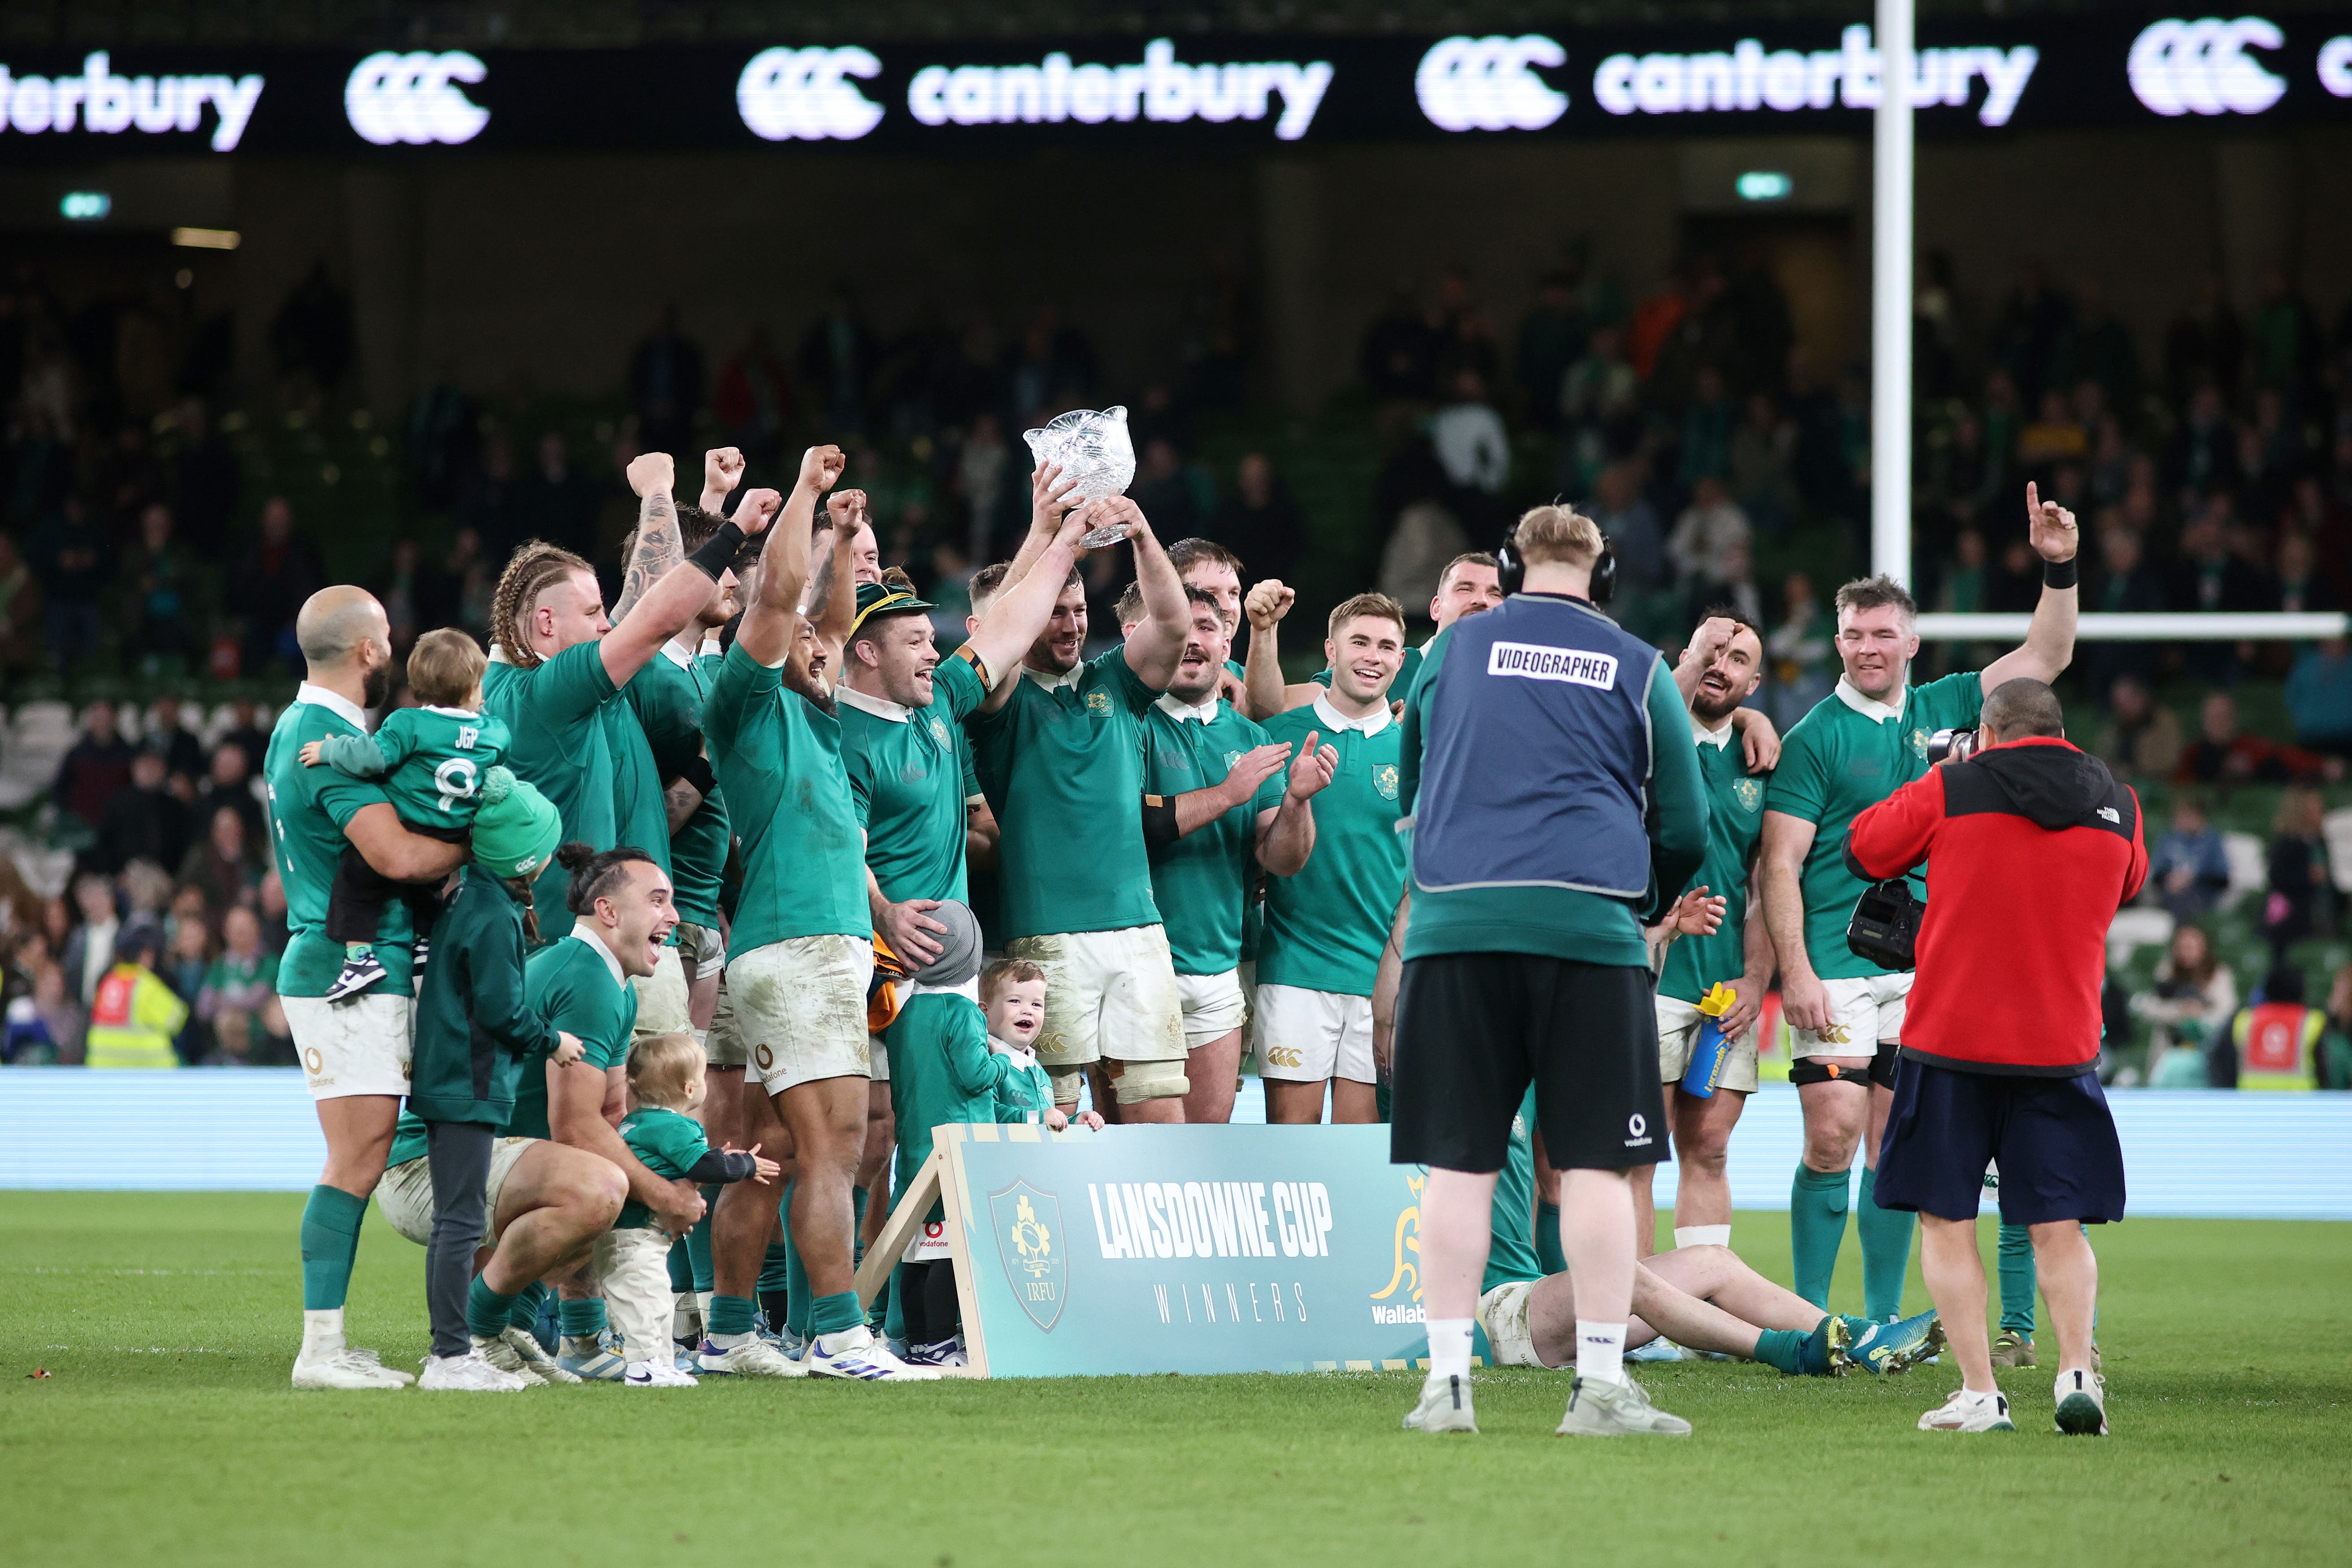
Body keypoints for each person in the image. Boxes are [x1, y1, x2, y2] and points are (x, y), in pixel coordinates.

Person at [1382, 503, 1707, 1437]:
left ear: (1509, 565)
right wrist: (1643, 900)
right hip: (1588, 930)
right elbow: (1685, 825)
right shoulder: (1642, 667)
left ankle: (1447, 1387)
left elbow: (1412, 784)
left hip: (1454, 925)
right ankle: (1599, 1386)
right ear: (1603, 574)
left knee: (1459, 1164)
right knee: (1599, 1166)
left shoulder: (1453, 649)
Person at [1760, 485, 2081, 1324]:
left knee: (1886, 1139)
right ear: (1836, 641)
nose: (1867, 648)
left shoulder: (1947, 704)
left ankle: (1870, 1320)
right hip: (1832, 965)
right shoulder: (1811, 739)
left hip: (1927, 967)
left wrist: (2057, 566)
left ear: (1910, 639)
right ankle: (1805, 1316)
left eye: (1881, 634)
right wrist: (1791, 969)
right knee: (1829, 1129)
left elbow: (2043, 657)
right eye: (1853, 635)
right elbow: (1779, 862)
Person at [1850, 678, 2145, 1436]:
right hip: (2059, 1045)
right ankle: (2075, 1372)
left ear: (1985, 732)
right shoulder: (2119, 801)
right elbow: (2129, 883)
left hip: (1950, 1041)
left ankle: (1979, 1392)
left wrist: (1941, 771)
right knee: (2057, 1227)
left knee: (1945, 1220)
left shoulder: (1952, 786)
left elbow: (1866, 846)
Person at [835, 497, 1089, 1336]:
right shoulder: (842, 734)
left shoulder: (938, 701)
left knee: (933, 1143)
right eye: (914, 640)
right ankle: (867, 1322)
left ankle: (917, 1323)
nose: (933, 651)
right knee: (872, 1149)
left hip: (941, 980)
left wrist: (1056, 535)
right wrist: (879, 909)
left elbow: (1007, 628)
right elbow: (837, 841)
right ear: (864, 653)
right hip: (878, 972)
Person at [702, 446, 921, 1380]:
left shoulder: (816, 707)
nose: (828, 644)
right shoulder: (746, 701)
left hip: (796, 947)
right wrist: (805, 495)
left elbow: (819, 613)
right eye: (811, 640)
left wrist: (840, 540)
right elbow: (782, 597)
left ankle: (728, 1330)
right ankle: (837, 1330)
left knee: (772, 1148)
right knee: (835, 1144)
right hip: (797, 947)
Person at [266, 586, 476, 1390]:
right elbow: (394, 856)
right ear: (367, 653)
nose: (393, 647)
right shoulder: (323, 732)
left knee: (358, 1155)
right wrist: (485, 839)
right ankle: (320, 1351)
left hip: (350, 960)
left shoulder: (309, 729)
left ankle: (330, 1344)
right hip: (345, 966)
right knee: (355, 1159)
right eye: (386, 636)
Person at [967, 475, 1191, 1122]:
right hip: (1046, 933)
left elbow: (1172, 623)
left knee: (1157, 1112)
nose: (1069, 625)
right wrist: (1049, 541)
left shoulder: (1115, 681)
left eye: (1078, 611)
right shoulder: (999, 701)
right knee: (1054, 1115)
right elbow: (998, 643)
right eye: (1053, 612)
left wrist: (1143, 534)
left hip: (1138, 929)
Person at [483, 450, 760, 942]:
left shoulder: (531, 684)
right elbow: (655, 617)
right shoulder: (546, 691)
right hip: (586, 945)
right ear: (546, 622)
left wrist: (707, 504)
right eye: (592, 612)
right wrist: (666, 494)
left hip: (596, 938)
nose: (607, 623)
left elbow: (645, 604)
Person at [1477, 1089, 1940, 1377]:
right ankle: (1791, 1352)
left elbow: (1552, 1187)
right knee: (1621, 1274)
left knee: (1712, 1259)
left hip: (1533, 1305)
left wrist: (1566, 1302)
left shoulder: (1527, 1075)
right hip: (1488, 1314)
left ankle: (1865, 1338)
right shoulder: (1450, 1063)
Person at [391, 768, 592, 1392]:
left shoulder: (471, 899)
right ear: (527, 860)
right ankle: (450, 1355)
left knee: (459, 1221)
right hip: (466, 1086)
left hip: (454, 1082)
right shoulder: (492, 914)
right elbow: (503, 1010)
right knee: (458, 1223)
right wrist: (553, 1041)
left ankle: (456, 1351)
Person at [1128, 583, 1331, 1123]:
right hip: (1135, 963)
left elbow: (1282, 860)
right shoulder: (1128, 721)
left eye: (1208, 629)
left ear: (1226, 648)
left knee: (1204, 1150)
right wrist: (1228, 793)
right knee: (1134, 1156)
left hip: (1218, 967)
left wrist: (1296, 802)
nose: (1193, 642)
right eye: (1181, 628)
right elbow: (1127, 827)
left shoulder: (1249, 737)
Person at [1631, 612, 1776, 1264]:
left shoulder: (1766, 766)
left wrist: (1755, 979)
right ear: (1683, 654)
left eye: (1738, 657)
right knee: (1638, 1151)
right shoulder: (1644, 741)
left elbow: (1770, 889)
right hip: (1649, 979)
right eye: (1712, 650)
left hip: (1724, 993)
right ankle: (1630, 1312)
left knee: (1710, 1148)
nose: (1722, 664)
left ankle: (1699, 1300)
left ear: (1756, 680)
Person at [1252, 594, 1404, 1125]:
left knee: (1357, 1153)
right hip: (1296, 968)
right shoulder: (1279, 737)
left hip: (1381, 982)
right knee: (1293, 1151)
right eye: (1359, 641)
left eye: (1387, 646)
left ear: (1401, 661)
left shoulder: (1418, 753)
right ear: (1330, 651)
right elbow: (1265, 857)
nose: (1372, 656)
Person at [297, 628, 506, 1001]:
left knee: (355, 876)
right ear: (473, 687)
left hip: (409, 823)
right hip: (453, 831)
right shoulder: (496, 733)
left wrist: (330, 751)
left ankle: (359, 959)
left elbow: (371, 757)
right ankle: (425, 944)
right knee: (428, 888)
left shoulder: (408, 723)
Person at [610, 1033, 778, 1386]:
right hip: (637, 1232)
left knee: (649, 1299)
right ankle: (643, 1367)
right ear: (690, 1089)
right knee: (649, 1301)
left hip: (621, 1229)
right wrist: (746, 1164)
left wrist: (717, 1157)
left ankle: (661, 1363)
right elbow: (702, 1169)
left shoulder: (636, 1122)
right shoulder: (675, 1126)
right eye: (703, 1077)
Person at [1244, 552, 1504, 719]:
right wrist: (1263, 630)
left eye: (1495, 594)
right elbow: (1273, 708)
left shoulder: (1519, 685)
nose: (1481, 600)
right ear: (1436, 607)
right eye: (1465, 589)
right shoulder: (1386, 665)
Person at [2132, 924, 2238, 1090]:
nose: (2187, 952)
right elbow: (2149, 1007)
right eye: (2183, 947)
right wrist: (2181, 1010)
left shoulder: (2219, 974)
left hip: (2207, 1050)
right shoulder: (2167, 972)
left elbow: (2226, 1011)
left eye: (2192, 947)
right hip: (2169, 1049)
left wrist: (2200, 1016)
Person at [82, 925, 185, 1069]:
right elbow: (177, 1019)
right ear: (146, 955)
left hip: (102, 1072)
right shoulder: (144, 985)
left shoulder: (107, 983)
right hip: (144, 1072)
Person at [2225, 964, 2327, 1091]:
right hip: (2301, 1107)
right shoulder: (2312, 1021)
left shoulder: (2246, 1020)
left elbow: (2224, 1064)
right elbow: (2325, 1071)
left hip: (2252, 1105)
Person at [2147, 796, 2232, 922]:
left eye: (2189, 817)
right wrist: (2170, 878)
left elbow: (2222, 879)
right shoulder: (2168, 839)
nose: (2185, 821)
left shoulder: (2213, 841)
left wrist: (2192, 879)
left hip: (2202, 895)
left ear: (2201, 818)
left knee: (2186, 903)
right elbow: (2156, 876)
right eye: (2181, 817)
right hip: (2169, 894)